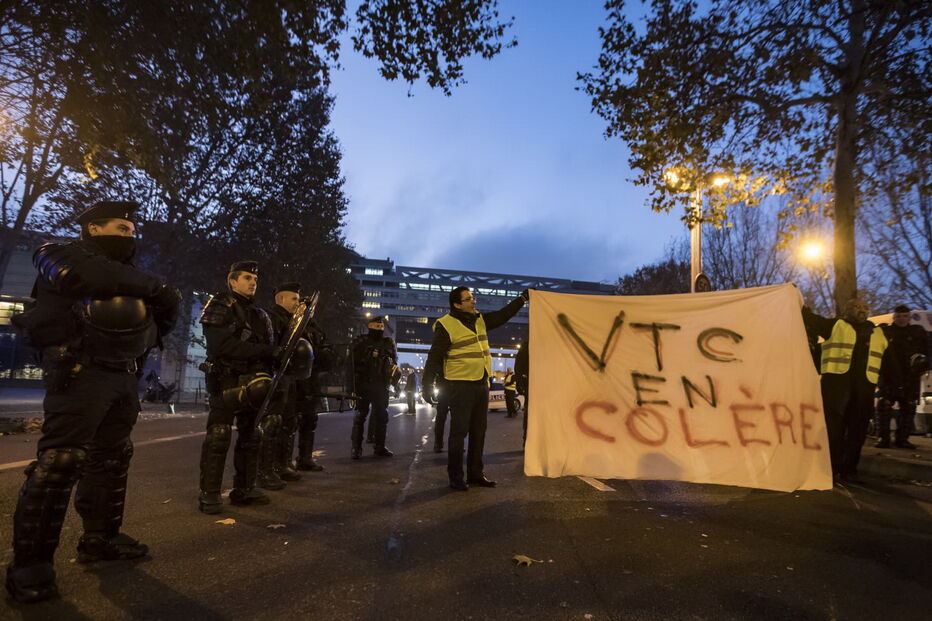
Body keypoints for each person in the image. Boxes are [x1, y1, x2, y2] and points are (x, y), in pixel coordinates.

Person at [6, 200, 181, 604]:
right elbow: (83, 276)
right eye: (121, 228)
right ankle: (29, 566)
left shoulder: (134, 274)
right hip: (79, 371)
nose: (130, 235)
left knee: (113, 456)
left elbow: (163, 310)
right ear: (93, 229)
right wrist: (153, 287)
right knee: (61, 461)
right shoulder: (55, 251)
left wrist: (150, 328)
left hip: (122, 374)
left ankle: (100, 538)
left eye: (132, 229)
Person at [422, 287, 528, 491]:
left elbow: (503, 315)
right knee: (459, 433)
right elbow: (434, 358)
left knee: (479, 432)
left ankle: (475, 474)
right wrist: (427, 386)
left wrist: (522, 299)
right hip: (459, 385)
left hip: (480, 383)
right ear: (457, 304)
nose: (474, 301)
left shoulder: (479, 320)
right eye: (468, 299)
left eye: (473, 298)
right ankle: (455, 477)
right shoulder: (446, 325)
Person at [197, 261, 279, 514]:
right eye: (246, 277)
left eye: (255, 277)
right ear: (232, 281)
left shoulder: (260, 315)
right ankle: (209, 494)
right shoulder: (220, 305)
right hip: (226, 379)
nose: (252, 281)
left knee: (251, 436)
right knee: (219, 436)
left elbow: (269, 351)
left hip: (254, 382)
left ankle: (243, 489)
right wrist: (266, 351)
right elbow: (221, 346)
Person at [803, 292, 889, 484]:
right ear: (847, 310)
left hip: (864, 389)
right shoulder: (834, 326)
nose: (862, 310)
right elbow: (808, 317)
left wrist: (893, 387)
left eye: (865, 307)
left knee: (858, 431)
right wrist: (795, 297)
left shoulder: (879, 334)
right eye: (857, 307)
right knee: (834, 430)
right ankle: (833, 469)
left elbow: (890, 363)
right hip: (836, 387)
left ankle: (850, 470)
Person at [257, 282, 305, 490]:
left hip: (291, 377)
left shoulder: (294, 320)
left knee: (289, 421)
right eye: (294, 299)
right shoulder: (271, 318)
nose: (297, 302)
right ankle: (265, 470)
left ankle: (282, 463)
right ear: (281, 299)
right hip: (277, 376)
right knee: (273, 422)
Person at [876, 305, 928, 449]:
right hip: (889, 374)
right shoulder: (886, 332)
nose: (901, 319)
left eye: (904, 316)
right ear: (894, 317)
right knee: (884, 405)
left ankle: (902, 439)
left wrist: (923, 365)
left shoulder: (918, 332)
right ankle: (883, 438)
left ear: (909, 317)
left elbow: (927, 351)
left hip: (910, 376)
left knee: (909, 407)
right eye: (898, 316)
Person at [351, 316, 397, 458]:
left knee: (382, 416)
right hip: (363, 384)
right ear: (370, 326)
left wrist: (394, 384)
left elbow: (393, 365)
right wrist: (351, 388)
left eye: (381, 327)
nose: (380, 329)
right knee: (360, 416)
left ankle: (380, 447)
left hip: (381, 385)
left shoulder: (388, 343)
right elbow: (351, 365)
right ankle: (356, 449)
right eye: (377, 327)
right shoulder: (360, 342)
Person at [294, 316, 332, 471]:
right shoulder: (289, 324)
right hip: (292, 378)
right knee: (286, 422)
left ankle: (305, 458)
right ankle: (279, 465)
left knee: (310, 419)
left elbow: (323, 353)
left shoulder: (316, 330)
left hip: (311, 378)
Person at [514, 339, 529, 444]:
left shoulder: (527, 344)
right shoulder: (527, 344)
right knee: (529, 413)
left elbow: (518, 366)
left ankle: (526, 439)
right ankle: (526, 439)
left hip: (530, 383)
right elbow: (518, 367)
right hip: (530, 384)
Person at [432, 373, 450, 453]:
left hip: (445, 390)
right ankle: (438, 443)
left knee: (440, 420)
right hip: (448, 390)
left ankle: (438, 444)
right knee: (440, 420)